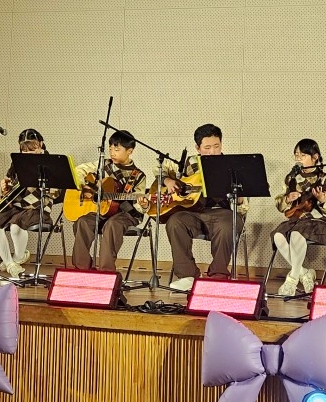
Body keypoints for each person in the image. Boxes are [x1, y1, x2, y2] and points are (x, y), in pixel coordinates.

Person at [158, 124, 248, 293]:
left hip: (222, 213)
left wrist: (241, 196)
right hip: (193, 213)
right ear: (198, 148)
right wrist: (168, 181)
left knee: (228, 224)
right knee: (175, 221)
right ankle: (187, 276)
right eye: (207, 148)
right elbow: (161, 171)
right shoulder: (189, 162)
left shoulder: (231, 166)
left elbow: (243, 200)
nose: (213, 151)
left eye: (217, 146)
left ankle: (218, 275)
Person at [70, 130, 145, 270]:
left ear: (129, 151)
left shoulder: (138, 175)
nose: (112, 153)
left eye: (117, 149)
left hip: (125, 214)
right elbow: (78, 170)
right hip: (102, 211)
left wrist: (143, 204)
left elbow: (140, 206)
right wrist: (84, 187)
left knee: (112, 225)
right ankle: (82, 268)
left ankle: (106, 271)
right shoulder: (103, 164)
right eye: (110, 149)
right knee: (83, 222)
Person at [271, 139, 326, 297]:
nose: (298, 159)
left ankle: (292, 280)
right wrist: (287, 199)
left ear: (315, 157)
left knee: (295, 233)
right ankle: (305, 273)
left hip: (319, 222)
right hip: (297, 220)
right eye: (296, 155)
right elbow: (280, 206)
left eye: (303, 155)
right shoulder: (291, 178)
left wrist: (322, 200)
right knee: (278, 235)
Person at [0, 128, 55, 279]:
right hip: (16, 205)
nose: (28, 153)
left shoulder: (50, 162)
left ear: (41, 144)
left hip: (37, 207)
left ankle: (17, 259)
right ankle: (11, 264)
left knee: (15, 226)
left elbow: (57, 191)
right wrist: (5, 186)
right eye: (24, 150)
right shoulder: (17, 161)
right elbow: (9, 181)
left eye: (32, 148)